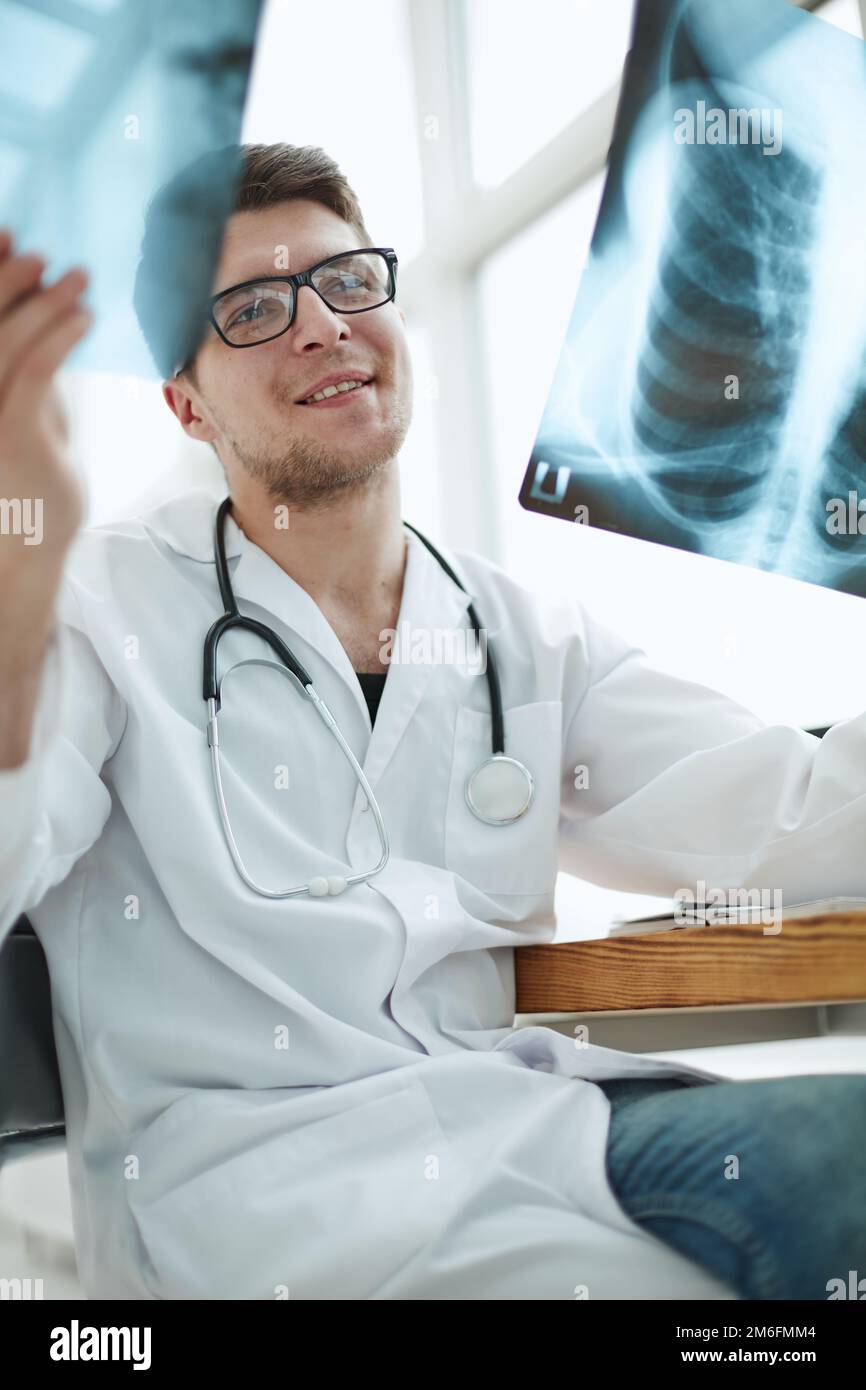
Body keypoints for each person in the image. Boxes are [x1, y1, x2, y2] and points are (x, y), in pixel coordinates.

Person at [0, 141, 863, 1302]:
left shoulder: (521, 629)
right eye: (253, 309)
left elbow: (789, 819)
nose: (320, 325)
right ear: (185, 404)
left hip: (530, 1127)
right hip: (254, 1204)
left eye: (346, 282)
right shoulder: (99, 610)